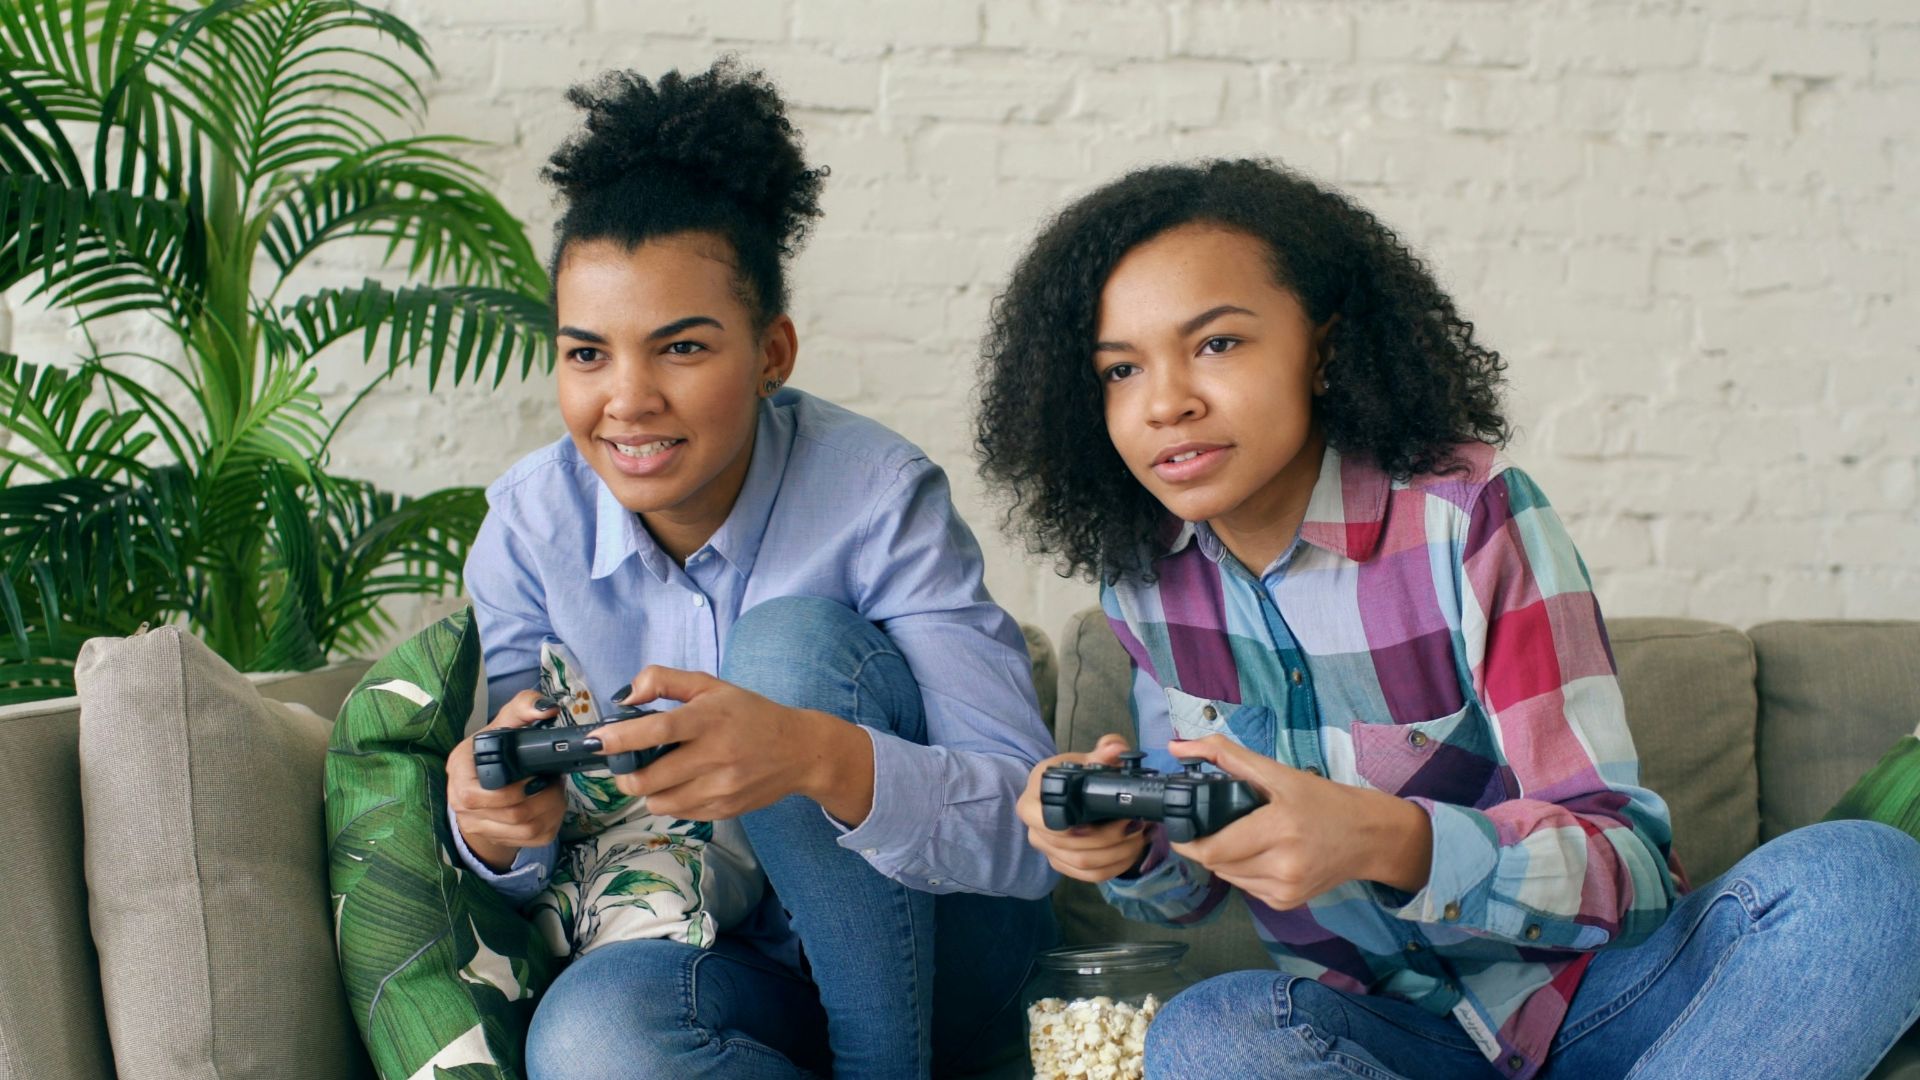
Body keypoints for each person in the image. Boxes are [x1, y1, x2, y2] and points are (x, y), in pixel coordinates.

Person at [974, 158, 1920, 1080]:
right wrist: (1124, 848)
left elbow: (1629, 869)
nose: (1167, 401)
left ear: (1326, 346)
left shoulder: (1469, 520)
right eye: (1119, 370)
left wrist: (1388, 838)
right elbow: (1187, 894)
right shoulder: (1145, 581)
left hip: (1605, 1000)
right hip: (1378, 1038)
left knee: (1871, 883)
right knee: (1210, 1034)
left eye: (1218, 343)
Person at [444, 60, 1056, 1079]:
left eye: (680, 348)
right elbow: (518, 869)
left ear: (772, 351)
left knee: (790, 646)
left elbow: (1028, 840)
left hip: (949, 964)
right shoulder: (527, 526)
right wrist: (498, 825)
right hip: (733, 971)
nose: (626, 400)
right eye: (586, 354)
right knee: (593, 1043)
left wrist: (811, 754)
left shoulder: (876, 495)